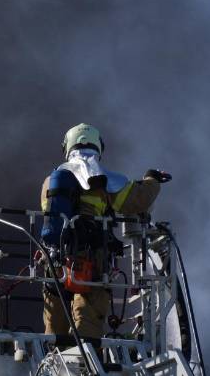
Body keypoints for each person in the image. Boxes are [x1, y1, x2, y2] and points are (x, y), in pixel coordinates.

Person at [39, 123, 171, 339]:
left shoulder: (50, 181)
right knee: (89, 311)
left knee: (55, 310)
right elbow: (137, 201)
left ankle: (53, 350)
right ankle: (85, 354)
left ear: (67, 147)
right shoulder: (102, 179)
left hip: (54, 256)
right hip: (89, 256)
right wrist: (152, 179)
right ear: (99, 147)